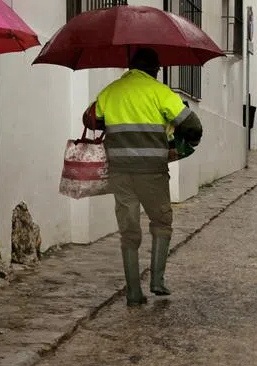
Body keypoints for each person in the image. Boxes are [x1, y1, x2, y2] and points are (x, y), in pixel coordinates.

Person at [83, 47, 203, 306]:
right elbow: (192, 125)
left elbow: (91, 120)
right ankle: (157, 281)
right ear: (155, 71)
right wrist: (183, 143)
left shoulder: (110, 91)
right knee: (161, 222)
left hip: (120, 171)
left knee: (128, 230)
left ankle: (133, 293)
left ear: (131, 67)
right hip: (152, 172)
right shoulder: (161, 92)